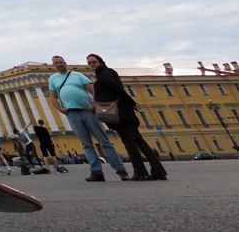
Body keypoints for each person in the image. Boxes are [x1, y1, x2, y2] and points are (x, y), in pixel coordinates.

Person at [48, 55, 129, 182]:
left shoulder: (77, 75)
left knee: (104, 141)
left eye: (61, 62)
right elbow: (53, 96)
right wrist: (60, 109)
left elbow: (93, 90)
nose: (59, 64)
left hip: (88, 111)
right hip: (72, 114)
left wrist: (93, 105)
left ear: (65, 63)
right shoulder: (53, 79)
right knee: (87, 145)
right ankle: (96, 172)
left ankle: (121, 170)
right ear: (54, 65)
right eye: (56, 63)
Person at [87, 53, 167, 181]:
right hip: (122, 113)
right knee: (140, 142)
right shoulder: (102, 75)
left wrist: (132, 103)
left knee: (131, 144)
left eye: (94, 62)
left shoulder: (106, 74)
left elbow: (119, 90)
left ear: (100, 62)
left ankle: (140, 172)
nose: (91, 64)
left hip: (122, 114)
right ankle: (158, 171)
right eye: (89, 63)